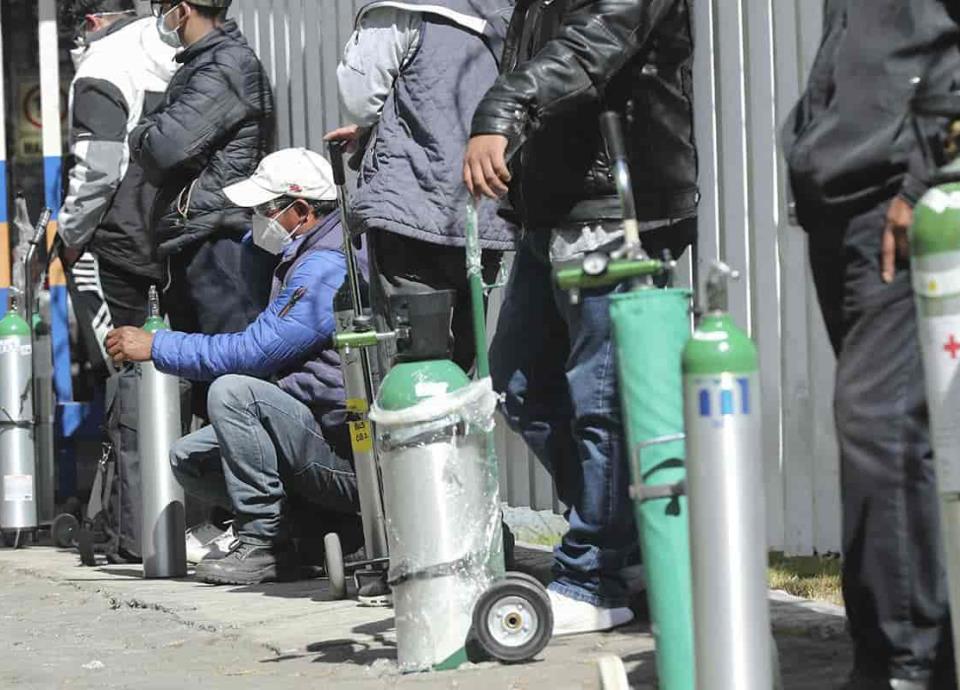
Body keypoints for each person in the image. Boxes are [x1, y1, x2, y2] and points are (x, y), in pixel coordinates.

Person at [464, 0, 698, 636]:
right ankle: (631, 546)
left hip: (614, 206)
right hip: (552, 207)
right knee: (519, 382)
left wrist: (501, 111)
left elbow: (591, 46)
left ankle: (594, 576)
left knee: (604, 400)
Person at [782, 2, 960, 688]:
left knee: (879, 422)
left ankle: (907, 664)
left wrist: (926, 175)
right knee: (892, 432)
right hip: (845, 201)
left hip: (899, 196)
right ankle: (890, 655)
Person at [105, 149, 363, 586]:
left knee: (233, 392)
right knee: (190, 458)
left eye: (264, 210)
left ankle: (265, 543)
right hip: (313, 428)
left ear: (302, 211)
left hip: (344, 457)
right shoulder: (301, 253)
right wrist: (258, 250)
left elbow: (253, 352)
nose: (254, 220)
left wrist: (158, 346)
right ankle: (306, 537)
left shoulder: (324, 268)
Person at [326, 0, 515, 374]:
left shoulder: (400, 8)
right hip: (481, 209)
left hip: (410, 209)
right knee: (464, 366)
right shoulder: (507, 11)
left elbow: (360, 100)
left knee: (415, 366)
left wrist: (374, 123)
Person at [57, 0, 178, 562]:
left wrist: (71, 234)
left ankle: (134, 532)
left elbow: (98, 167)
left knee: (126, 379)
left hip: (119, 244)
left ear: (90, 23)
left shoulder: (105, 62)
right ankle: (178, 521)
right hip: (178, 239)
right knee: (177, 375)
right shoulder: (179, 46)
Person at [131, 0, 275, 344]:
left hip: (218, 237)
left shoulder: (225, 66)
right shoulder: (203, 63)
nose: (160, 16)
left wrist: (140, 133)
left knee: (228, 359)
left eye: (162, 6)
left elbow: (162, 148)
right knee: (196, 360)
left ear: (182, 10)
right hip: (198, 231)